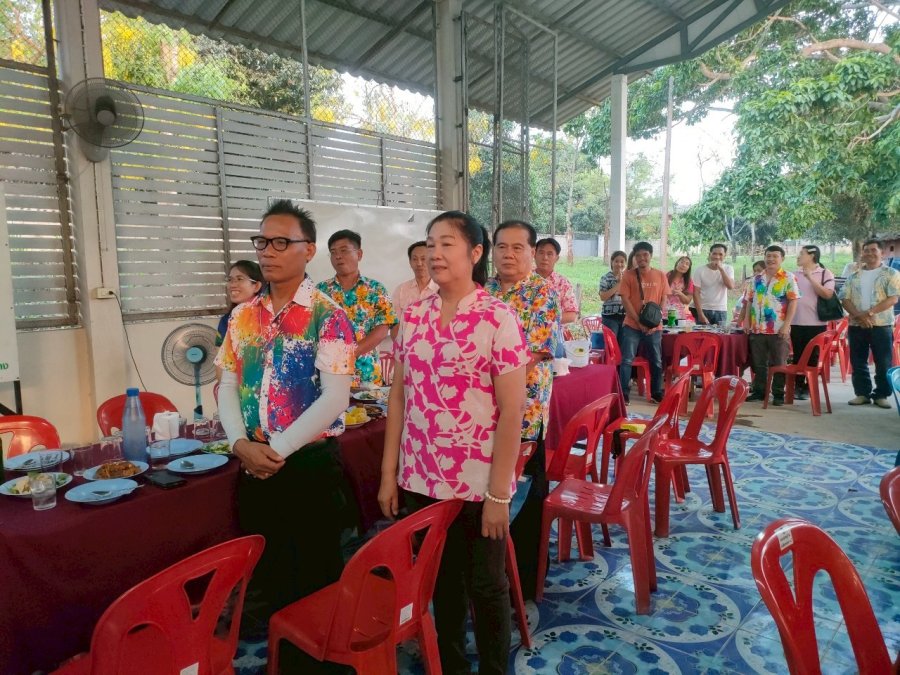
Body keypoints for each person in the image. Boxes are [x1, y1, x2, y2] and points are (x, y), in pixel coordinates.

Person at [378, 210, 528, 675]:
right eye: (430, 243)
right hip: (421, 478)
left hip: (479, 483)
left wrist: (499, 495)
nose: (435, 253)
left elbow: (512, 413)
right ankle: (452, 666)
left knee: (487, 585)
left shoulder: (497, 317)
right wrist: (388, 475)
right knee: (440, 582)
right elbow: (399, 397)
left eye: (447, 243)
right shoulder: (413, 315)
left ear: (475, 253)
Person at [216, 199, 356, 619]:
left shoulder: (328, 315)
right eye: (262, 242)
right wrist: (239, 444)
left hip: (307, 468)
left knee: (314, 586)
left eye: (281, 242)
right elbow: (228, 383)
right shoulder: (242, 316)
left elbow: (335, 398)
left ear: (308, 249)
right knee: (270, 577)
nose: (267, 251)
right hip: (253, 464)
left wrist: (274, 452)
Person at [485, 219, 559, 600]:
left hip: (524, 415)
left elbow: (529, 355)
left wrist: (480, 380)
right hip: (482, 417)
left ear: (532, 253)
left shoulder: (542, 294)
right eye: (502, 247)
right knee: (490, 494)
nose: (508, 255)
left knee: (526, 500)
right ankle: (490, 577)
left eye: (518, 248)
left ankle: (525, 584)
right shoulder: (482, 291)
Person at [317, 230, 398, 386]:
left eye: (344, 250)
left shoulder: (376, 289)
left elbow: (383, 328)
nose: (338, 256)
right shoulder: (321, 291)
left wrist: (351, 353)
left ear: (359, 254)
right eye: (333, 252)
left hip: (366, 374)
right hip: (329, 373)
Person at [839, 238, 900, 408]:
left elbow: (893, 298)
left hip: (881, 325)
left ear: (882, 253)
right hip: (856, 325)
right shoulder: (853, 276)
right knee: (858, 360)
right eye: (866, 250)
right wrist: (859, 316)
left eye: (874, 250)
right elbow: (844, 298)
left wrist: (869, 313)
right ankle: (862, 393)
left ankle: (881, 395)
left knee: (883, 361)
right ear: (862, 254)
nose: (870, 253)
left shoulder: (891, 274)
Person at [743, 245, 799, 406]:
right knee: (759, 363)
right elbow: (749, 301)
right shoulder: (756, 279)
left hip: (778, 328)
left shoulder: (788, 277)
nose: (771, 259)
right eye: (768, 256)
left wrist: (786, 325)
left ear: (782, 259)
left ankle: (778, 394)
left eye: (775, 256)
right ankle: (760, 392)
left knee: (779, 362)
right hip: (757, 328)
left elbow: (793, 301)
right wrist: (746, 320)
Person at [618, 241, 670, 403]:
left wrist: (656, 322)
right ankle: (623, 393)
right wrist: (638, 322)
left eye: (645, 254)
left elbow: (663, 298)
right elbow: (625, 301)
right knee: (627, 360)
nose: (642, 258)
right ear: (634, 257)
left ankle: (656, 392)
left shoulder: (660, 275)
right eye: (638, 255)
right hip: (632, 325)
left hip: (654, 327)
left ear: (651, 255)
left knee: (656, 360)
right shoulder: (628, 275)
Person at [791, 245, 836, 400]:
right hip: (796, 322)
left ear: (812, 255)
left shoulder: (825, 273)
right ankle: (797, 386)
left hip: (816, 324)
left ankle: (808, 387)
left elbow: (827, 294)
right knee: (797, 356)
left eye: (801, 253)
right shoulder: (793, 274)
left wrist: (810, 277)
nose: (798, 256)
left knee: (812, 357)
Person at [215, 260, 263, 381]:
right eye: (230, 280)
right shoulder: (226, 320)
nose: (232, 284)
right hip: (236, 385)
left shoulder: (268, 316)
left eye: (239, 279)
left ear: (256, 286)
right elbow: (221, 366)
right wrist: (223, 388)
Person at [390, 240, 438, 340]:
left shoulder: (443, 289)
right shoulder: (401, 290)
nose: (419, 263)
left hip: (436, 345)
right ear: (410, 262)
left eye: (423, 259)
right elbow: (394, 326)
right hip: (406, 346)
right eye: (415, 259)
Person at [535, 237, 579, 323]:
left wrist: (543, 321)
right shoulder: (524, 279)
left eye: (550, 254)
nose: (545, 257)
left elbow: (572, 315)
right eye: (541, 252)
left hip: (553, 330)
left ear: (557, 258)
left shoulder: (563, 283)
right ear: (534, 254)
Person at [693, 243, 735, 326]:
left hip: (721, 310)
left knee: (720, 334)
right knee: (702, 334)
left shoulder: (728, 268)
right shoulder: (700, 270)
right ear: (710, 254)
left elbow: (730, 286)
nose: (717, 257)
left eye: (720, 254)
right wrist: (700, 314)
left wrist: (721, 269)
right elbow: (695, 293)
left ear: (725, 256)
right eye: (714, 254)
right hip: (703, 309)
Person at [598, 250, 627, 339]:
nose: (619, 264)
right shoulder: (605, 278)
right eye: (616, 261)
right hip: (609, 317)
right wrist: (618, 284)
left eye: (622, 262)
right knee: (611, 343)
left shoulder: (628, 278)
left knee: (622, 343)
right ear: (612, 262)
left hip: (625, 317)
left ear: (625, 263)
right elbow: (603, 297)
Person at [734, 260, 766, 325]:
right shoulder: (751, 285)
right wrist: (738, 324)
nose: (756, 273)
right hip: (752, 322)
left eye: (759, 270)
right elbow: (744, 306)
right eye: (754, 271)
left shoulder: (770, 286)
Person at [666, 255, 695, 324]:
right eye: (682, 262)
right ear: (677, 263)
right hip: (665, 314)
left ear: (688, 268)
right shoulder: (667, 276)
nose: (683, 265)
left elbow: (687, 301)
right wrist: (669, 291)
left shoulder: (689, 281)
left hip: (679, 315)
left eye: (687, 264)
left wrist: (680, 294)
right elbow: (659, 293)